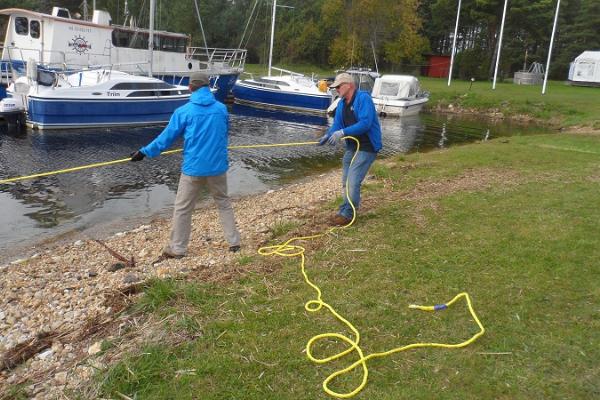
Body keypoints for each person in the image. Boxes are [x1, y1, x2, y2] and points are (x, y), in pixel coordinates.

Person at [130, 72, 241, 259]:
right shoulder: (222, 109)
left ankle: (178, 249)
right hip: (218, 168)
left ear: (190, 88)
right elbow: (225, 133)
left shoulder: (183, 112)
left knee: (183, 208)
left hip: (193, 169)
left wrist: (143, 152)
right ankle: (234, 243)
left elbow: (165, 139)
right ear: (207, 87)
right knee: (223, 203)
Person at [318, 72, 382, 226]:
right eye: (335, 87)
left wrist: (343, 133)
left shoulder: (363, 99)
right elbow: (337, 125)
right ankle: (345, 209)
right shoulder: (340, 104)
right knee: (346, 180)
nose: (336, 89)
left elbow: (365, 123)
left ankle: (348, 214)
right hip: (352, 146)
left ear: (350, 85)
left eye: (339, 87)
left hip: (367, 147)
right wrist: (328, 135)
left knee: (353, 179)